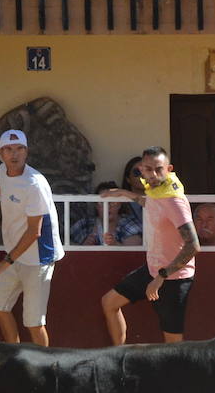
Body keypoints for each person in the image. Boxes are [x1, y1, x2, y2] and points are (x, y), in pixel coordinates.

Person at [0, 129, 64, 346]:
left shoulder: (34, 183)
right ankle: (14, 356)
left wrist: (3, 263)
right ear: (1, 154)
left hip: (38, 258)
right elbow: (8, 190)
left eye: (19, 149)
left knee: (34, 323)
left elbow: (34, 232)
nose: (14, 154)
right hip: (16, 253)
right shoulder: (2, 171)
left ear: (26, 152)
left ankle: (43, 371)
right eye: (8, 149)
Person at [99, 146, 199, 344]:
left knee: (173, 344)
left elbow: (193, 245)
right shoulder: (156, 191)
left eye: (158, 169)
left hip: (174, 278)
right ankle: (119, 358)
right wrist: (123, 193)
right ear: (141, 170)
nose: (152, 174)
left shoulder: (174, 201)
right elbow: (150, 203)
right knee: (109, 302)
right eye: (147, 169)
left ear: (168, 169)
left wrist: (161, 277)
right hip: (153, 270)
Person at [70, 181, 143, 246]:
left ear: (120, 204)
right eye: (102, 202)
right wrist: (83, 247)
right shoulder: (84, 224)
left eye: (113, 202)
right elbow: (66, 247)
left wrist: (115, 245)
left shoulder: (129, 224)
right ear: (96, 205)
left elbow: (133, 254)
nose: (107, 206)